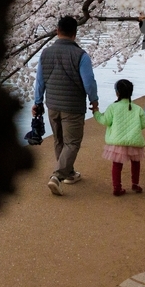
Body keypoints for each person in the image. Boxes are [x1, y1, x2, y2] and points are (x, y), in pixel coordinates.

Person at [33, 16, 99, 197]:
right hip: (72, 105)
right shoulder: (81, 55)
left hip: (52, 104)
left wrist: (37, 102)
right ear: (75, 34)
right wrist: (94, 100)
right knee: (72, 142)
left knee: (59, 140)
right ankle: (57, 176)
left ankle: (68, 173)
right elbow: (89, 82)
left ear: (57, 31)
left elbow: (39, 81)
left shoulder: (45, 53)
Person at [93, 79, 145, 195]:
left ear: (117, 92)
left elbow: (105, 121)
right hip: (134, 141)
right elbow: (143, 124)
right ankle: (135, 184)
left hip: (118, 142)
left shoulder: (113, 107)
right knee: (136, 163)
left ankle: (117, 187)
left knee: (117, 164)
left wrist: (96, 113)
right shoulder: (138, 109)